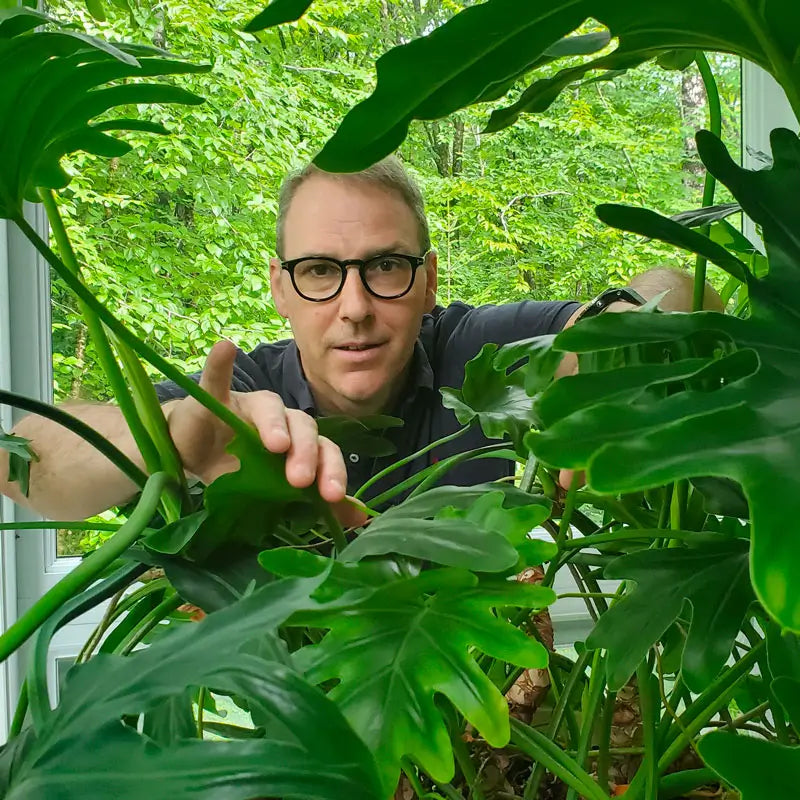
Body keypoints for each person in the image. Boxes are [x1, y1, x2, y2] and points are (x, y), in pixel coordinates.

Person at [0, 157, 718, 521]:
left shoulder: (479, 357)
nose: (355, 308)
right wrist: (171, 440)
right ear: (279, 287)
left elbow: (688, 291)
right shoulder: (241, 403)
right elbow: (26, 463)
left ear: (429, 280)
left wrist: (624, 328)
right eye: (319, 271)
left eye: (385, 266)